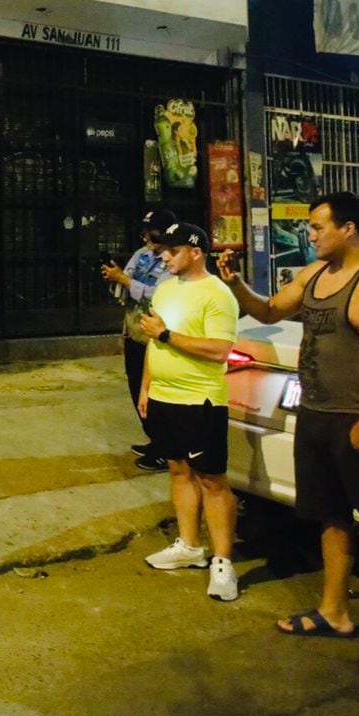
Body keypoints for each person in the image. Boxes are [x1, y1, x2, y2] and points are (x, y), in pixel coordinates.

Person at [217, 192, 359, 684]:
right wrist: (236, 285)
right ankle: (334, 611)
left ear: (348, 228)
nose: (308, 235)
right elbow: (269, 312)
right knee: (331, 519)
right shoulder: (313, 275)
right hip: (315, 417)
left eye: (316, 227)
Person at [136, 222, 242, 602]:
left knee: (212, 480)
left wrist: (167, 335)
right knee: (178, 470)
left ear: (196, 252)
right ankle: (190, 546)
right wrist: (147, 386)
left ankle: (223, 562)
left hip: (200, 401)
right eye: (164, 249)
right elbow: (152, 340)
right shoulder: (164, 289)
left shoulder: (219, 295)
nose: (164, 256)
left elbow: (218, 350)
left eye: (173, 250)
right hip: (164, 397)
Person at [102, 207, 177, 471]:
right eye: (145, 234)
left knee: (155, 394)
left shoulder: (174, 259)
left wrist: (124, 279)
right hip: (134, 330)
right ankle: (155, 440)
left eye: (153, 235)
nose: (147, 241)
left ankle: (165, 449)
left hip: (155, 338)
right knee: (137, 389)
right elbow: (129, 283)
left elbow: (159, 294)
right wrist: (118, 277)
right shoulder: (142, 255)